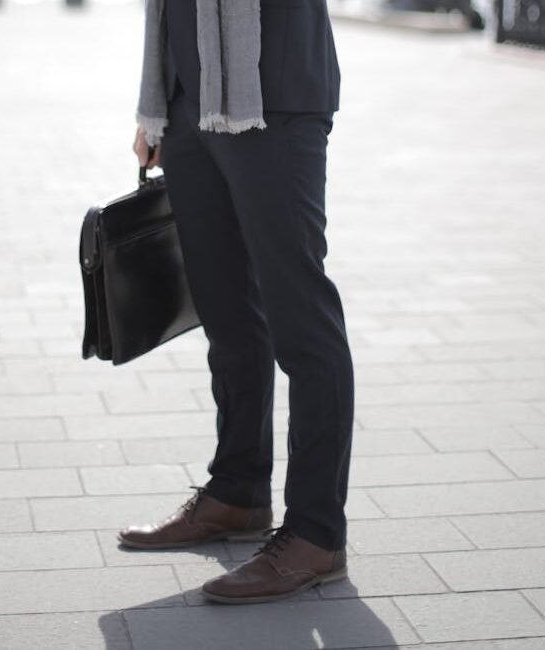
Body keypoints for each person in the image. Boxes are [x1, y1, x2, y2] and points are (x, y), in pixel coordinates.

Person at [119, 0, 355, 605]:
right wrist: (157, 110)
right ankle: (237, 492)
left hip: (272, 94)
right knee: (226, 315)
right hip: (188, 98)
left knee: (300, 320)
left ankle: (315, 532)